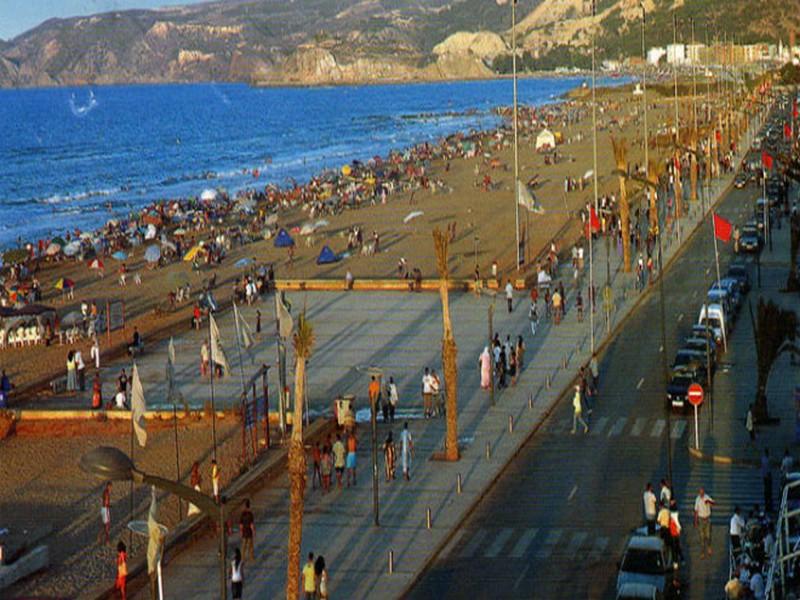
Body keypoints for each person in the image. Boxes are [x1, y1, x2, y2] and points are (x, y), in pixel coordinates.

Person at [694, 487, 716, 558]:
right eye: (700, 492)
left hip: (707, 518)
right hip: (701, 519)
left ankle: (709, 547)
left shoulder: (707, 497)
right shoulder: (697, 499)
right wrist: (695, 520)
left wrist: (708, 502)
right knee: (702, 536)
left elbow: (713, 503)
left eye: (702, 492)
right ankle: (702, 551)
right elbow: (696, 511)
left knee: (708, 535)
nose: (701, 494)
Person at [669, 499, 684, 565]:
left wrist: (679, 528)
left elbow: (676, 522)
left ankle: (675, 561)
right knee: (677, 546)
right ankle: (681, 558)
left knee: (674, 547)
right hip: (675, 532)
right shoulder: (674, 513)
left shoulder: (672, 514)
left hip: (673, 532)